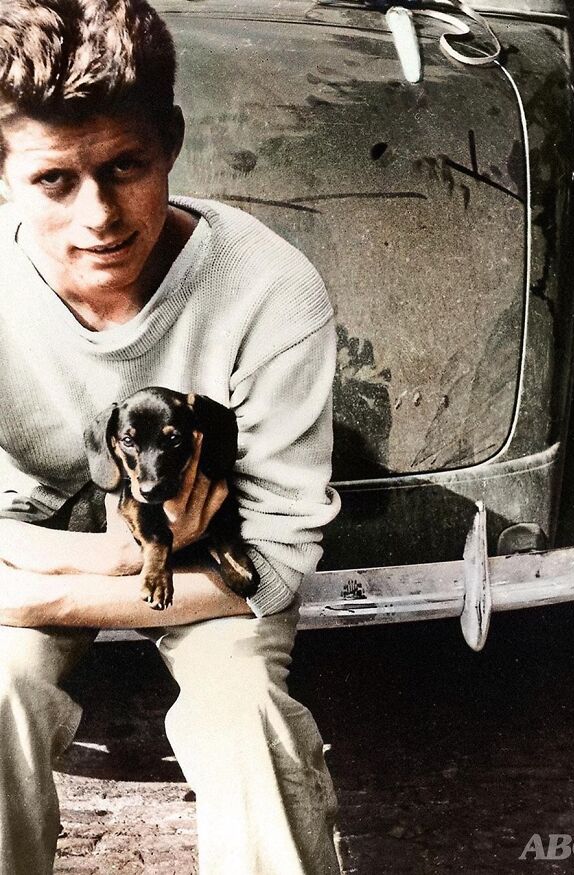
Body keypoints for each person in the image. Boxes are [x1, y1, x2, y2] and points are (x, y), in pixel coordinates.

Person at [0, 1, 341, 873]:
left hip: (204, 563)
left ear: (175, 141)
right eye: (54, 181)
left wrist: (51, 601)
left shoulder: (271, 291)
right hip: (28, 538)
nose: (100, 216)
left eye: (127, 166)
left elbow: (270, 567)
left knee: (247, 721)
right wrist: (104, 560)